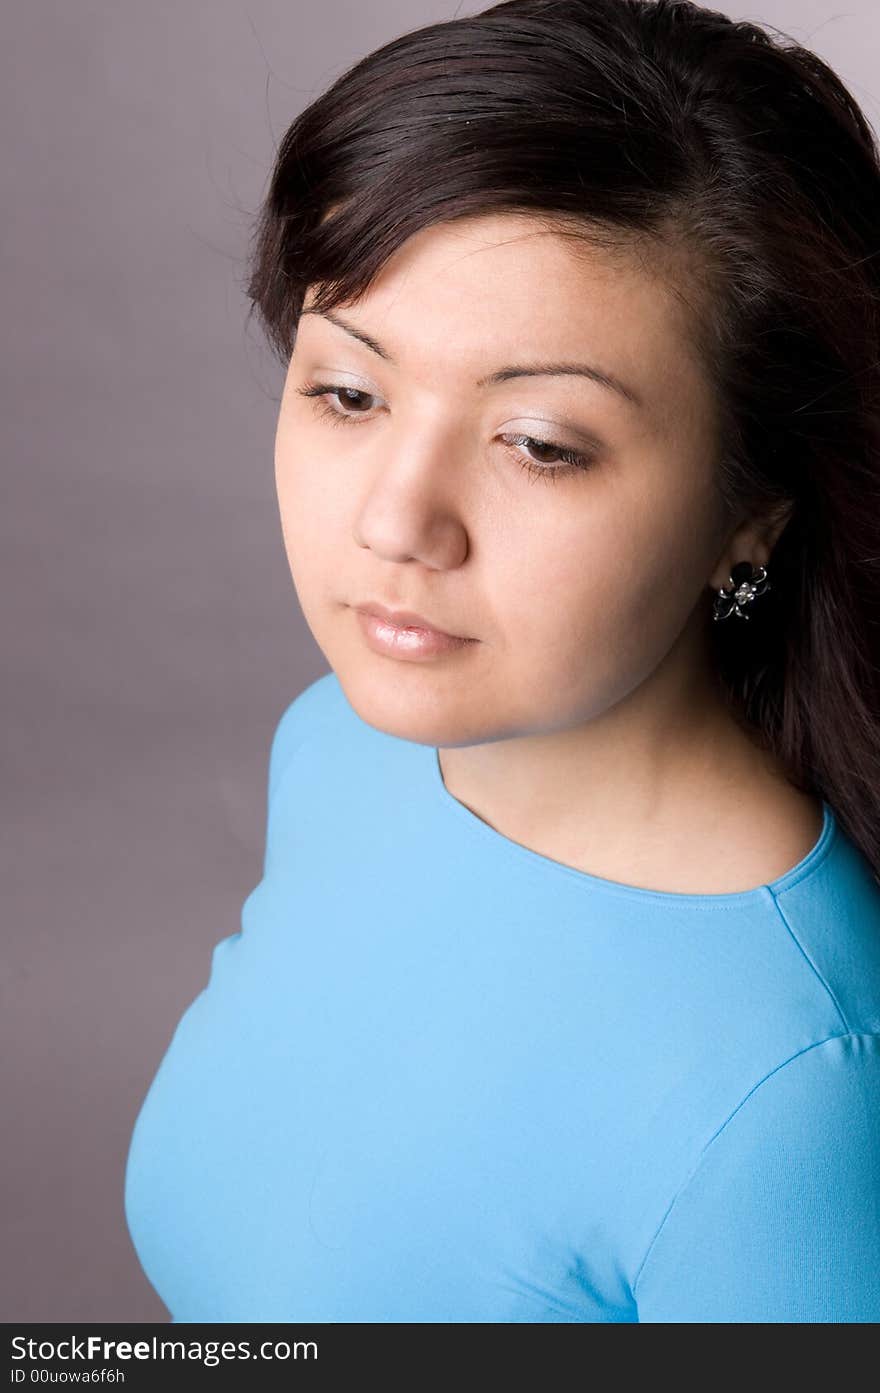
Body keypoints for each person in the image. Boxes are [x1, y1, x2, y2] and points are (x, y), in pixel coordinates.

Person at [124, 0, 880, 1321]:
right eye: (350, 392)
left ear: (751, 505)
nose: (394, 521)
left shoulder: (797, 1096)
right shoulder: (342, 747)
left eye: (540, 442)